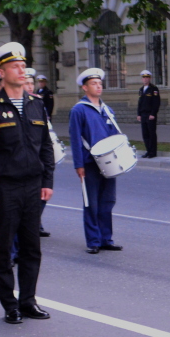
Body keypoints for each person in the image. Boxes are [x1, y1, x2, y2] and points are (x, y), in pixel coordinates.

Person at [0, 42, 55, 324]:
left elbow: (46, 146)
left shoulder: (37, 105)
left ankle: (28, 300)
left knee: (32, 247)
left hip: (34, 186)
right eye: (16, 67)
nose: (22, 70)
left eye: (24, 66)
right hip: (5, 188)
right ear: (2, 71)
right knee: (3, 248)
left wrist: (48, 180)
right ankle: (10, 305)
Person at [69, 67, 124, 255]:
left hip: (109, 162)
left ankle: (106, 239)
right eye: (94, 83)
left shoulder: (108, 110)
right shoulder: (79, 110)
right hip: (90, 163)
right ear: (85, 87)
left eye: (100, 83)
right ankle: (93, 241)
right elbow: (75, 139)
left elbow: (114, 134)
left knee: (107, 201)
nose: (98, 86)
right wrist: (79, 165)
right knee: (91, 203)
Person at [135, 69, 162, 158]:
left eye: (147, 78)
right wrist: (138, 114)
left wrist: (153, 114)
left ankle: (153, 152)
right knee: (145, 134)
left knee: (151, 134)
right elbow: (140, 103)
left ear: (150, 78)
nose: (145, 79)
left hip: (150, 115)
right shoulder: (141, 89)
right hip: (143, 115)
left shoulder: (154, 89)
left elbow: (156, 102)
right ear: (142, 79)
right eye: (144, 78)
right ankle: (148, 151)